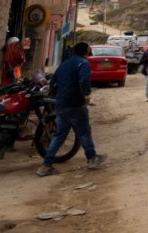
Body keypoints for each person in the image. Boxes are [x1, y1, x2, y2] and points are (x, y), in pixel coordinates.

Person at [36, 42, 107, 176]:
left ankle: (45, 166)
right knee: (84, 132)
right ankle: (92, 159)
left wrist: (61, 95)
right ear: (86, 50)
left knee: (59, 136)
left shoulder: (64, 64)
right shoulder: (83, 63)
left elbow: (53, 83)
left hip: (61, 105)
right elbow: (84, 80)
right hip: (76, 104)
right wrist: (86, 95)